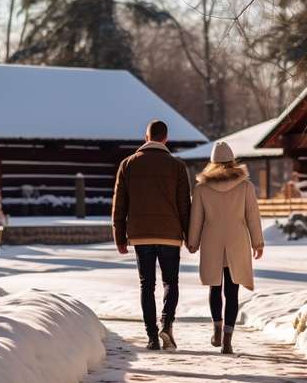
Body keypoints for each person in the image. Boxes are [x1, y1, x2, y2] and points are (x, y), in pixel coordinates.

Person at [112, 120, 191, 351]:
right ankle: (166, 324)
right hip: (170, 234)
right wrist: (190, 237)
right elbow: (184, 206)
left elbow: (119, 205)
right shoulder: (177, 167)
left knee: (147, 284)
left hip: (141, 234)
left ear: (146, 138)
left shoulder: (127, 165)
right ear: (165, 139)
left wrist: (119, 236)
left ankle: (151, 337)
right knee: (171, 282)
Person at [187, 141, 264, 354]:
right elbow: (253, 218)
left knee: (215, 287)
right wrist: (257, 243)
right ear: (232, 161)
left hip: (212, 240)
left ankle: (217, 329)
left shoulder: (202, 188)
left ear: (211, 162)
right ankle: (228, 338)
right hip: (237, 240)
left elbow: (196, 220)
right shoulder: (245, 186)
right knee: (232, 290)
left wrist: (192, 242)